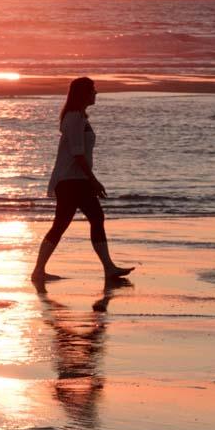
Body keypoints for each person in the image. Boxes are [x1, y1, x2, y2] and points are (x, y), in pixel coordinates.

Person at [30, 76, 134, 287]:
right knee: (64, 224)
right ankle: (39, 270)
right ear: (83, 94)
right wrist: (94, 180)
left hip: (78, 180)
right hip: (70, 181)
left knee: (95, 218)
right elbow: (78, 154)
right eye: (92, 90)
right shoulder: (74, 118)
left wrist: (90, 180)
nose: (96, 93)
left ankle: (108, 268)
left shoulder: (79, 117)